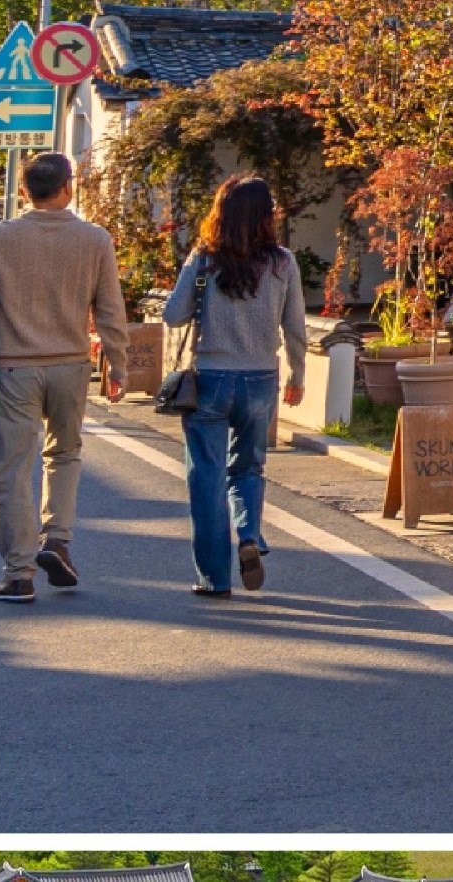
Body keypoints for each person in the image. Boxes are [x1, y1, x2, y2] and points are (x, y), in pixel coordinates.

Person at [0, 154, 130, 603]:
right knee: (65, 455)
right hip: (71, 364)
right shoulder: (95, 239)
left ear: (23, 192)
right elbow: (111, 310)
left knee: (13, 470)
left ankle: (19, 574)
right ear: (69, 187)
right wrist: (119, 367)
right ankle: (57, 541)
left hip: (13, 366)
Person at [161, 176, 309, 598]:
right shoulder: (283, 262)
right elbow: (296, 327)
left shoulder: (205, 259)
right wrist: (298, 375)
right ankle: (248, 535)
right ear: (267, 215)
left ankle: (214, 577)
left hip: (210, 379)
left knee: (205, 476)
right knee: (247, 466)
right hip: (261, 379)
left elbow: (173, 316)